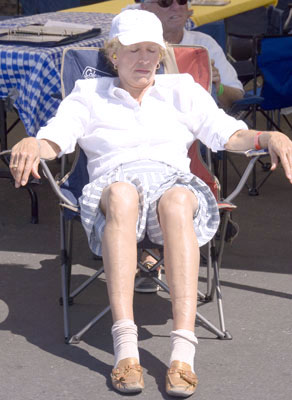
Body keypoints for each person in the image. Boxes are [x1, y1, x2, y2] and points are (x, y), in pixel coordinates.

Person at [9, 9, 292, 397]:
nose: (144, 60)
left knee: (177, 200)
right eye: (132, 51)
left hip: (172, 187)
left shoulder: (183, 90)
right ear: (113, 55)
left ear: (161, 54)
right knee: (123, 194)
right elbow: (56, 139)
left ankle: (182, 351)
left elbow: (228, 135)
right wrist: (32, 142)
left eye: (151, 51)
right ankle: (126, 349)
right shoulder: (89, 94)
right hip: (113, 191)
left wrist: (267, 139)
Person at [133, 0, 245, 293]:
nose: (175, 6)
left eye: (181, 0)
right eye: (164, 1)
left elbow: (236, 94)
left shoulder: (203, 46)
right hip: (139, 137)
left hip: (191, 139)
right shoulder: (134, 47)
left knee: (177, 182)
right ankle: (155, 252)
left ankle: (158, 254)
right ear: (145, 8)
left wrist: (217, 87)